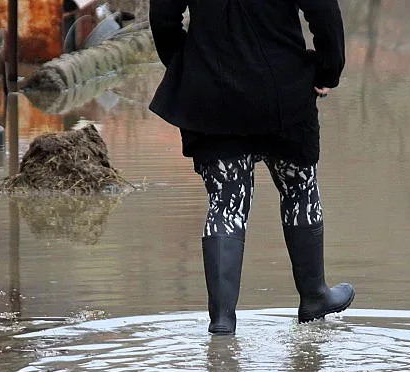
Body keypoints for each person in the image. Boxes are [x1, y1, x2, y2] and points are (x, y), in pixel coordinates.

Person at [149, 0, 354, 335]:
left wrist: (188, 64)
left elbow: (162, 15)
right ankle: (314, 296)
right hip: (283, 90)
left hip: (211, 96)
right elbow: (323, 12)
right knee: (299, 188)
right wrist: (329, 70)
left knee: (225, 203)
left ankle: (222, 320)